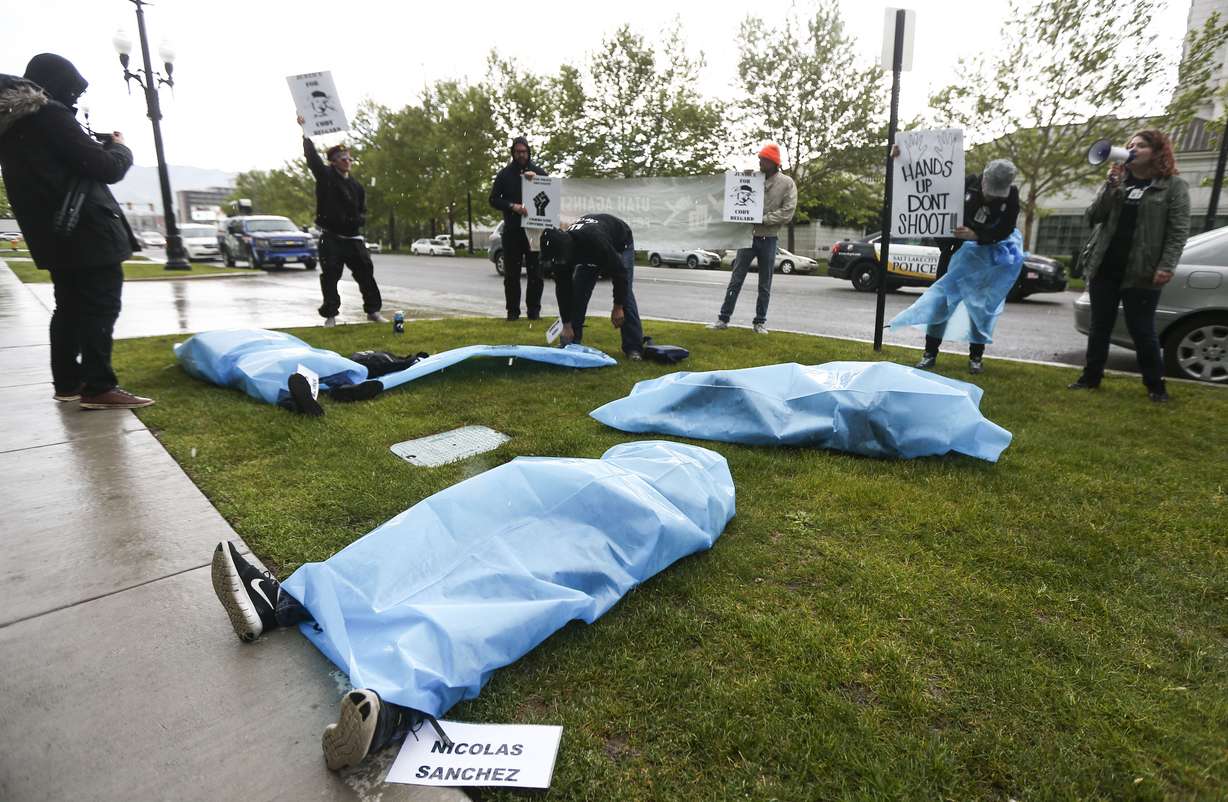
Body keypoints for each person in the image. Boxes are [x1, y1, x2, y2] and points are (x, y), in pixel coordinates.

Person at [0, 54, 154, 410]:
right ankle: (99, 386)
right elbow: (103, 167)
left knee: (67, 307)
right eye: (73, 90)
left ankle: (68, 382)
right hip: (86, 231)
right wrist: (120, 148)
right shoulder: (49, 115)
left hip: (55, 235)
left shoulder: (12, 127)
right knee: (102, 305)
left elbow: (60, 166)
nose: (74, 98)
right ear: (59, 84)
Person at [1069, 129, 1189, 402]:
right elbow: (1093, 216)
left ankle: (1155, 387)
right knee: (1100, 326)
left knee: (1142, 329)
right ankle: (1090, 378)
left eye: (1142, 146)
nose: (1133, 149)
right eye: (1130, 145)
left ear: (1157, 152)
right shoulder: (1118, 181)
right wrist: (1111, 187)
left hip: (1143, 271)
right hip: (1105, 266)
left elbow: (1178, 231)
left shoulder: (1173, 186)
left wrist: (1167, 265)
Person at [910, 158, 1022, 373]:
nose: (991, 195)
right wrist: (902, 156)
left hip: (985, 258)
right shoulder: (964, 183)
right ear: (984, 178)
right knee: (941, 304)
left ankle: (976, 357)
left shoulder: (1012, 195)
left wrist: (978, 235)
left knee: (981, 307)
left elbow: (1006, 228)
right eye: (990, 189)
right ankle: (929, 353)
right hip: (954, 255)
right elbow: (930, 192)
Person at [298, 115, 384, 327]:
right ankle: (331, 315)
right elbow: (312, 159)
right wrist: (305, 133)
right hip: (332, 238)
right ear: (334, 161)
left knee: (366, 275)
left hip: (353, 238)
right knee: (330, 277)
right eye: (343, 158)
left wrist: (359, 219)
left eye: (349, 158)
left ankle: (373, 311)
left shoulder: (357, 186)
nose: (348, 161)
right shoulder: (325, 176)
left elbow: (362, 209)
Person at [710, 143, 797, 334]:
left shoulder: (787, 183)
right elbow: (734, 198)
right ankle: (723, 319)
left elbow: (788, 212)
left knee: (765, 282)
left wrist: (763, 219)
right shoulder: (752, 178)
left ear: (773, 162)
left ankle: (759, 322)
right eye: (759, 159)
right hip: (747, 236)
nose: (760, 162)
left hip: (769, 238)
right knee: (736, 278)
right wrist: (742, 178)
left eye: (763, 160)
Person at [541, 213, 644, 360]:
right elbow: (564, 291)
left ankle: (634, 348)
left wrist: (618, 307)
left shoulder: (596, 242)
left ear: (567, 251)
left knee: (625, 296)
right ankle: (571, 343)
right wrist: (567, 324)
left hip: (620, 242)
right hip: (589, 250)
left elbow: (620, 274)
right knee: (578, 295)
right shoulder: (559, 254)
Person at [489, 136, 548, 321]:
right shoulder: (504, 174)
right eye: (517, 152)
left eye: (524, 151)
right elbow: (493, 199)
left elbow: (549, 194)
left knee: (535, 274)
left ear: (528, 152)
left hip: (534, 231)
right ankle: (512, 312)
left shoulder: (539, 172)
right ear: (513, 153)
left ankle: (534, 312)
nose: (521, 155)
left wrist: (537, 180)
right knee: (512, 274)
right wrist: (512, 206)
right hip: (512, 230)